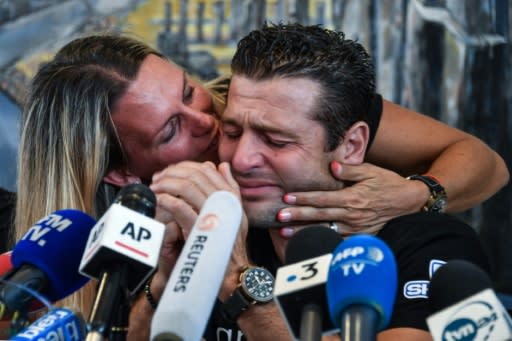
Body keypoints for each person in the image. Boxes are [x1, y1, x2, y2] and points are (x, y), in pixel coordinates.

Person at [16, 30, 505, 329]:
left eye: (189, 89)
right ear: (124, 173)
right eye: (170, 129)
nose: (208, 121)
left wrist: (419, 193)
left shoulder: (266, 99)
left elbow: (486, 163)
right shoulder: (119, 241)